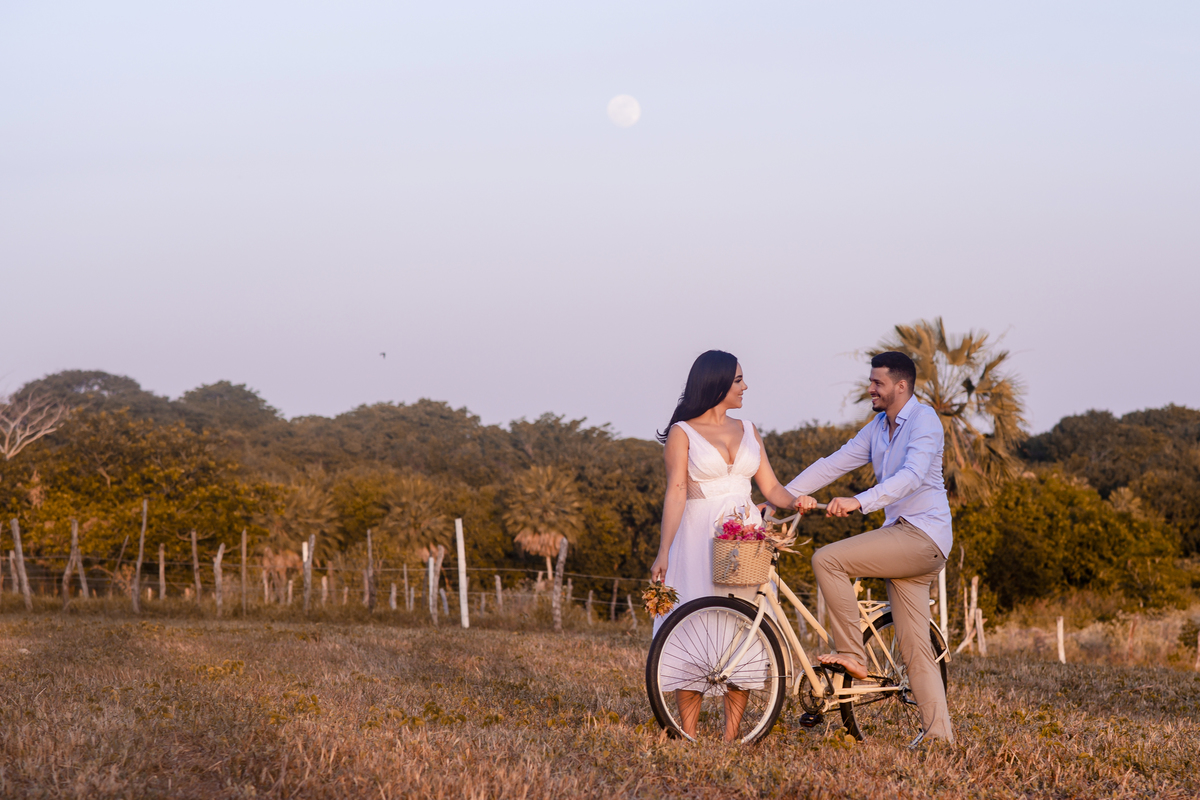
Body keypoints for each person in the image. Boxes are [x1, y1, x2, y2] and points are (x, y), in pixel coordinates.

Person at [785, 351, 954, 746]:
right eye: (871, 381)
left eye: (877, 383)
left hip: (922, 536)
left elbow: (912, 477)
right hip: (903, 536)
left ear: (900, 385)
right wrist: (780, 497)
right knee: (915, 650)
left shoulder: (925, 421)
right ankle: (940, 737)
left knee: (828, 559)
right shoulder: (878, 427)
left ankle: (853, 655)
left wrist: (860, 501)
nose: (870, 389)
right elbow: (833, 464)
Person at [650, 350, 816, 741]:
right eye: (739, 379)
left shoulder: (749, 428)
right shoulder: (682, 433)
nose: (745, 386)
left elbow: (771, 488)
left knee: (744, 624)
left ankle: (732, 734)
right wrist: (663, 551)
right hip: (696, 536)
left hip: (744, 536)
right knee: (693, 624)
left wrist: (797, 501)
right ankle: (685, 730)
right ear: (717, 383)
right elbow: (675, 492)